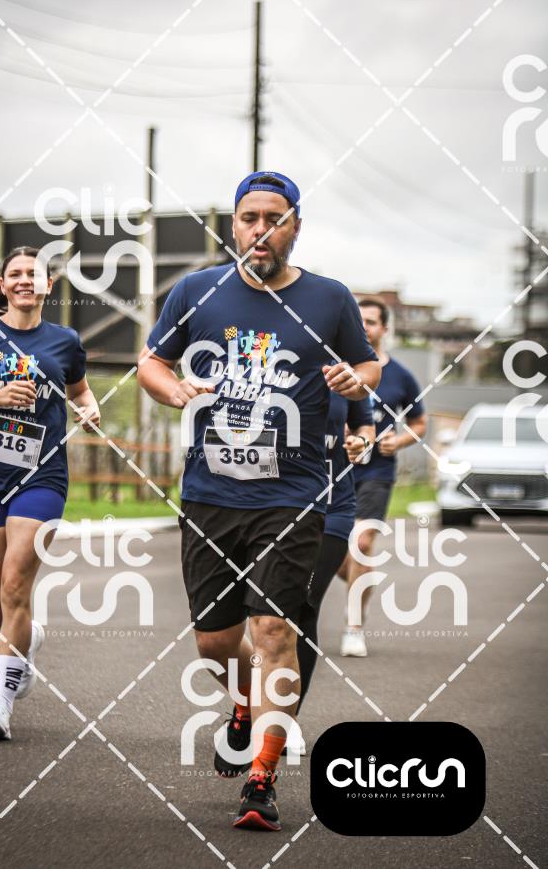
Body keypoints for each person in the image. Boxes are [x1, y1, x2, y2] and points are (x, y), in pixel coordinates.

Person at [138, 171, 380, 832]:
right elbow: (152, 361)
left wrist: (352, 377)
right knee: (216, 642)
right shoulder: (197, 290)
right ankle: (244, 704)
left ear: (295, 226)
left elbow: (368, 366)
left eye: (275, 218)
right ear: (234, 225)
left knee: (274, 632)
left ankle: (261, 780)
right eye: (250, 218)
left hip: (293, 496)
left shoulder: (329, 298)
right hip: (211, 494)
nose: (261, 229)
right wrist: (172, 389)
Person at [0, 246, 100, 740]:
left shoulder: (65, 340)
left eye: (33, 274)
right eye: (15, 274)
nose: (24, 281)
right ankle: (26, 638)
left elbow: (79, 390)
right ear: (5, 283)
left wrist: (90, 408)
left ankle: (1, 701)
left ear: (48, 285)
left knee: (16, 585)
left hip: (42, 477)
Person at [338, 296, 427, 657]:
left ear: (384, 329)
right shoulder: (338, 369)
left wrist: (399, 440)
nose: (364, 327)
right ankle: (362, 582)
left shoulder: (401, 376)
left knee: (360, 543)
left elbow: (419, 422)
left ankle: (353, 627)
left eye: (371, 321)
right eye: (358, 320)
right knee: (330, 551)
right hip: (336, 469)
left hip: (377, 470)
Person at [292, 391, 374, 740]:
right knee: (261, 617)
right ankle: (249, 706)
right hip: (271, 504)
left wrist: (361, 442)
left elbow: (365, 425)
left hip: (332, 506)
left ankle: (285, 718)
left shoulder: (345, 372)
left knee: (302, 606)